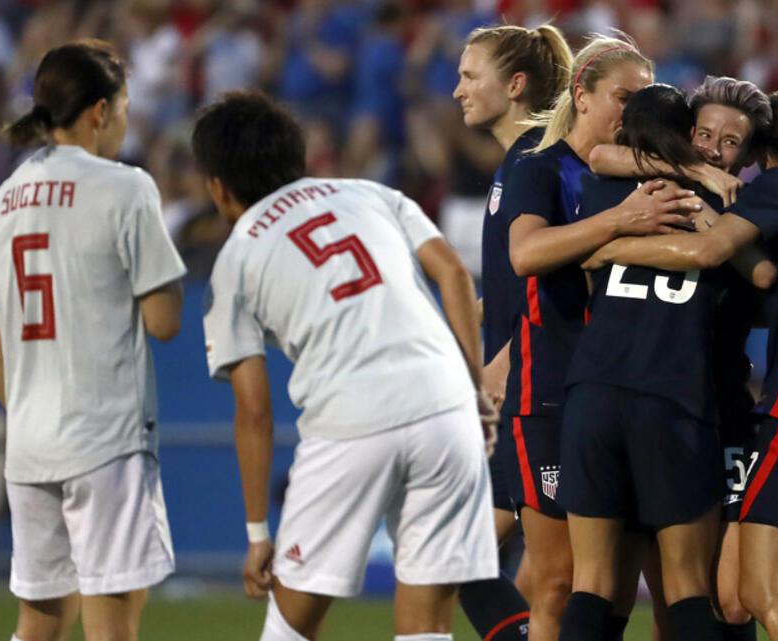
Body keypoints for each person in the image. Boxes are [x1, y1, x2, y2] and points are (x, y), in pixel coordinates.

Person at [194, 90, 499, 641]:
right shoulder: (369, 194)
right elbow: (454, 273)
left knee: (290, 628)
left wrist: (258, 531)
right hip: (447, 406)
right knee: (428, 628)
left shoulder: (235, 258)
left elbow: (254, 413)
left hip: (350, 422)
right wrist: (475, 388)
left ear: (217, 185)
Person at [585, 89, 778, 641]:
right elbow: (775, 285)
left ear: (761, 151)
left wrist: (604, 249)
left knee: (758, 591)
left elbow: (708, 251)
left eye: (734, 144)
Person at [0, 40, 185, 641]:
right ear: (97, 112)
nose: (123, 121)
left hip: (30, 445)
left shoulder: (1, 201)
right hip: (106, 443)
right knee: (112, 623)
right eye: (121, 107)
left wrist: (31, 412)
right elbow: (164, 321)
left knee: (39, 623)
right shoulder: (126, 187)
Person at [555, 82, 774, 641]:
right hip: (673, 397)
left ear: (745, 155)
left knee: (591, 583)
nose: (710, 149)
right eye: (703, 134)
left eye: (728, 142)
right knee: (686, 587)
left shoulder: (608, 187)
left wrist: (606, 249)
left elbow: (599, 157)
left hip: (595, 392)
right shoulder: (736, 212)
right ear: (684, 132)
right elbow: (761, 282)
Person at [499, 35, 699, 641]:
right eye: (621, 96)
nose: (631, 110)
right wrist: (619, 220)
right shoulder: (541, 166)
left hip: (621, 393)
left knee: (614, 591)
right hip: (551, 391)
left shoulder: (637, 174)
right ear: (581, 96)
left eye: (643, 99)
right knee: (560, 582)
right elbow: (526, 254)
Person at [452, 22, 572, 641]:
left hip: (533, 390)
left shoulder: (534, 161)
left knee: (548, 574)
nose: (458, 90)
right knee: (467, 551)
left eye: (471, 76)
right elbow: (515, 278)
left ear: (516, 84)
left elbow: (557, 283)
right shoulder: (517, 163)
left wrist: (503, 360)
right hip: (517, 385)